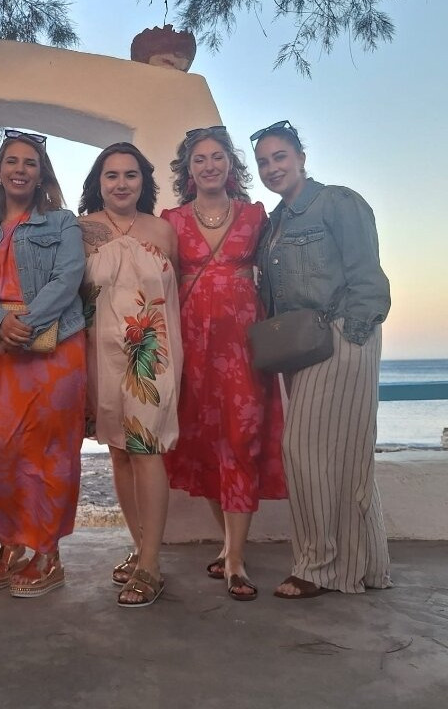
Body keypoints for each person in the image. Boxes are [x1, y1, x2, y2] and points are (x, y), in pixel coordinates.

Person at [252, 120, 392, 598]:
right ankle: (367, 567)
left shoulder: (338, 202)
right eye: (264, 162)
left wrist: (354, 337)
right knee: (347, 457)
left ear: (301, 158)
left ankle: (318, 567)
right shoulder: (275, 222)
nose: (272, 168)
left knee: (302, 450)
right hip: (301, 347)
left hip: (343, 336)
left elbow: (367, 276)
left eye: (280, 157)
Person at [159, 125, 287, 601]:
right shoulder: (171, 220)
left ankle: (235, 557)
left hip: (242, 349)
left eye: (217, 157)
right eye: (200, 159)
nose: (209, 165)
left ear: (230, 164)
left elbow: (277, 272)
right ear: (188, 170)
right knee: (207, 443)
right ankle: (229, 545)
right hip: (192, 347)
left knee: (241, 440)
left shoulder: (255, 215)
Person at [0, 129, 86, 598]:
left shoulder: (62, 223)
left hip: (55, 347)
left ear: (41, 174)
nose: (20, 169)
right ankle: (10, 542)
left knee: (50, 450)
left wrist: (25, 323)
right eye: (12, 161)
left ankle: (47, 553)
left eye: (30, 163)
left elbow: (68, 276)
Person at [78, 143, 182, 608]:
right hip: (99, 354)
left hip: (151, 354)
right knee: (119, 452)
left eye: (130, 175)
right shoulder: (80, 229)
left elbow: (177, 296)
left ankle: (152, 564)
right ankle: (140, 549)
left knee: (146, 448)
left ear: (144, 181)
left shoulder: (163, 230)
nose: (121, 183)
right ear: (98, 182)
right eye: (112, 175)